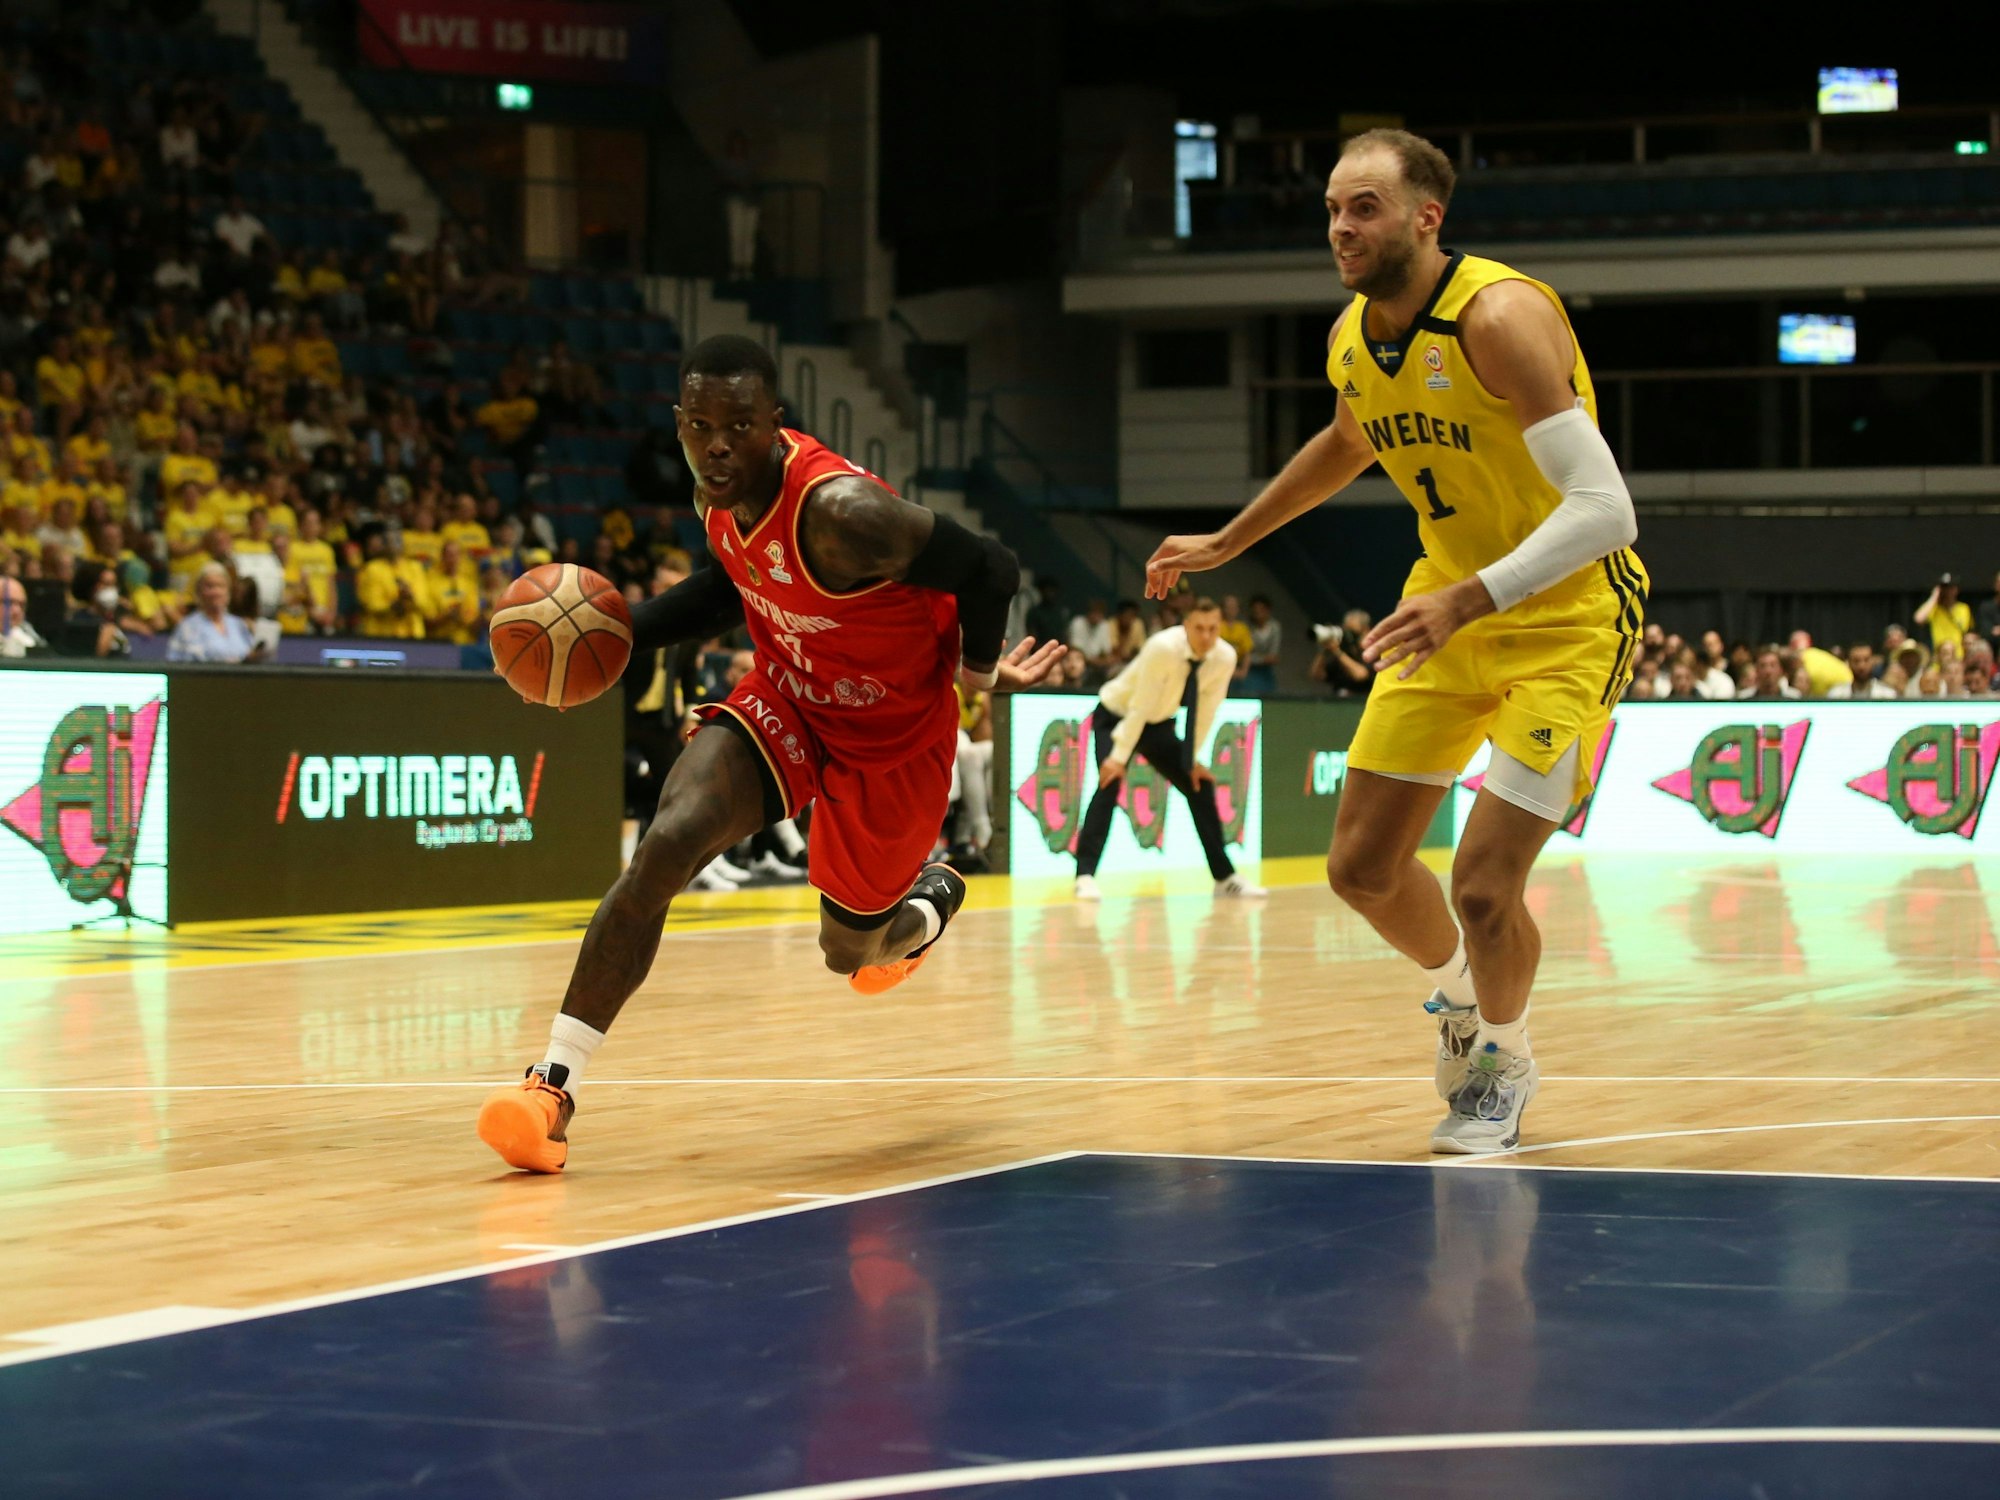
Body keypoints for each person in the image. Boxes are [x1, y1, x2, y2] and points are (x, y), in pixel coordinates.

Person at [1143, 128, 1646, 1155]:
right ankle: (1460, 1001)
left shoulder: (1497, 318)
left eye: (1362, 205)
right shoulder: (1350, 336)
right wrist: (1227, 540)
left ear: (1427, 216)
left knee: (1479, 884)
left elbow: (1605, 508)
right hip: (1449, 608)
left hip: (1566, 620)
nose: (1339, 225)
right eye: (1331, 207)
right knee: (1361, 868)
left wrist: (1471, 598)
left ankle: (1500, 1065)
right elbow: (1345, 440)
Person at [477, 336, 1062, 1173]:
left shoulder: (844, 514)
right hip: (788, 695)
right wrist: (617, 636)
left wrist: (976, 672)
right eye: (701, 425)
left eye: (739, 426)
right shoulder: (716, 492)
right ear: (680, 425)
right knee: (666, 846)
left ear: (775, 426)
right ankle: (550, 1089)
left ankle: (928, 905)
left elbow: (990, 564)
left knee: (850, 954)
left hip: (894, 738)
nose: (718, 444)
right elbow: (734, 582)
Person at [1071, 597, 1267, 903]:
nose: (1206, 636)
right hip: (1117, 715)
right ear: (1185, 625)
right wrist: (1118, 757)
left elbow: (1206, 710)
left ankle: (1225, 878)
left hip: (1158, 723)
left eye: (1213, 629)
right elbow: (1140, 703)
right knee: (1110, 782)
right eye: (1199, 628)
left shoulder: (1224, 657)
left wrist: (1192, 760)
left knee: (1198, 785)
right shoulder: (1162, 647)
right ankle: (1084, 876)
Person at [166, 562, 264, 663]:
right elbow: (177, 666)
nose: (216, 592)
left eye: (220, 586)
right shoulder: (187, 627)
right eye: (210, 586)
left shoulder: (239, 625)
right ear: (199, 591)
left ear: (228, 591)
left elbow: (250, 658)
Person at [1916, 573, 1973, 655]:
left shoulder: (1963, 608)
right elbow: (1919, 619)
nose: (1948, 591)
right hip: (1939, 655)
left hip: (1958, 655)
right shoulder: (1934, 609)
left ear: (1956, 589)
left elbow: (1966, 629)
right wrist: (1934, 596)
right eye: (1945, 588)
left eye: (1951, 588)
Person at [1245, 595, 1282, 694]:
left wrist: (1269, 658)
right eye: (1255, 609)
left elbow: (1273, 654)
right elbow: (1246, 653)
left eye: (1261, 609)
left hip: (1266, 671)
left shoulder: (1275, 627)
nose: (1258, 613)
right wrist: (1261, 659)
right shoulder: (1246, 628)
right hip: (1250, 670)